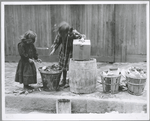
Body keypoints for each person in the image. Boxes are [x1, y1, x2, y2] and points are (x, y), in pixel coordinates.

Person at [50, 21, 86, 87]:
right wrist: (54, 49)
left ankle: (70, 80)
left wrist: (78, 35)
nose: (62, 35)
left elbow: (82, 38)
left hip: (71, 51)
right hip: (64, 51)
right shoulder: (60, 33)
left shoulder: (73, 33)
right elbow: (57, 42)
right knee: (63, 66)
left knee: (70, 66)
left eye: (64, 34)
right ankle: (63, 80)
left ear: (67, 31)